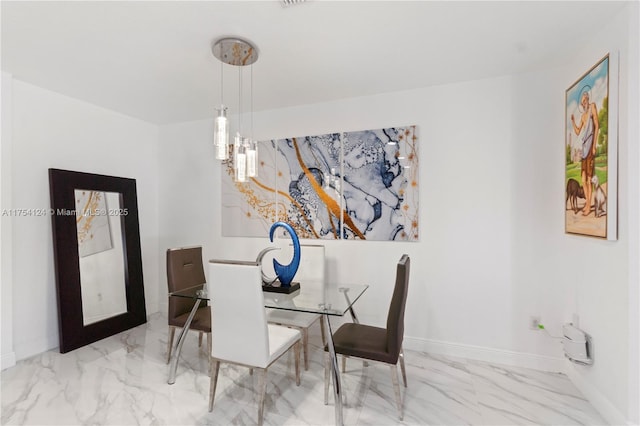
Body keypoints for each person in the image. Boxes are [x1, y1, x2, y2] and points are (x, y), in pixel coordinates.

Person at [571, 89, 599, 216]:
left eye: (585, 99)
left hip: (590, 147)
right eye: (582, 101)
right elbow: (577, 132)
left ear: (588, 99)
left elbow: (597, 126)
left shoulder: (593, 107)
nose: (584, 102)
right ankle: (588, 202)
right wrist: (572, 121)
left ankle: (588, 204)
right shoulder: (582, 117)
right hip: (584, 149)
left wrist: (594, 145)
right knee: (583, 179)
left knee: (589, 178)